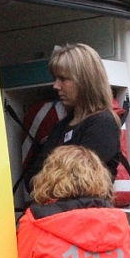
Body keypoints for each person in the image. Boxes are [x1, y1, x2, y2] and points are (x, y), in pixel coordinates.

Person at [23, 43, 121, 189]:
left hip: (84, 211)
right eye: (55, 78)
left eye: (63, 79)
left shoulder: (103, 123)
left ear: (85, 81)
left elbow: (78, 183)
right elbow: (31, 181)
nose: (56, 86)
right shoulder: (60, 127)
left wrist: (49, 175)